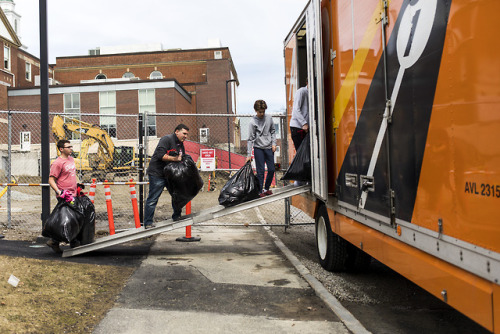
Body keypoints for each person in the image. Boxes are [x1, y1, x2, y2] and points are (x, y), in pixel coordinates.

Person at [144, 124, 189, 227]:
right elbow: (160, 155)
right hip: (157, 174)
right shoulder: (166, 139)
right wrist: (175, 159)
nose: (186, 136)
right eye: (184, 133)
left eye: (187, 134)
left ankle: (177, 216)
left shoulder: (180, 144)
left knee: (177, 195)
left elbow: (181, 158)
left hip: (170, 175)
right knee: (153, 199)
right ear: (177, 131)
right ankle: (148, 223)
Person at [47, 139, 78, 253]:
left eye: (71, 146)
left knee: (71, 218)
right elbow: (51, 180)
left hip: (73, 193)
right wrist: (59, 191)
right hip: (64, 195)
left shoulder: (71, 159)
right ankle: (62, 242)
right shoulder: (57, 163)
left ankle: (56, 241)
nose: (71, 148)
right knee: (69, 219)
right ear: (61, 149)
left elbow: (71, 175)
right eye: (68, 147)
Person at [246, 100, 276, 197]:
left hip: (268, 148)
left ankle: (266, 188)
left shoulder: (269, 118)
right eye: (260, 112)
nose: (262, 114)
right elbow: (250, 139)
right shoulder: (252, 122)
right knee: (260, 171)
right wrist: (248, 154)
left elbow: (273, 131)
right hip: (258, 148)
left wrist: (274, 143)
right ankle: (260, 191)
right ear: (255, 110)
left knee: (271, 169)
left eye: (263, 111)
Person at [290, 80, 309, 151]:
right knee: (301, 153)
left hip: (303, 127)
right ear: (307, 82)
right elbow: (295, 109)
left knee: (304, 153)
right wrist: (304, 123)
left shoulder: (310, 93)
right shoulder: (301, 91)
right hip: (298, 127)